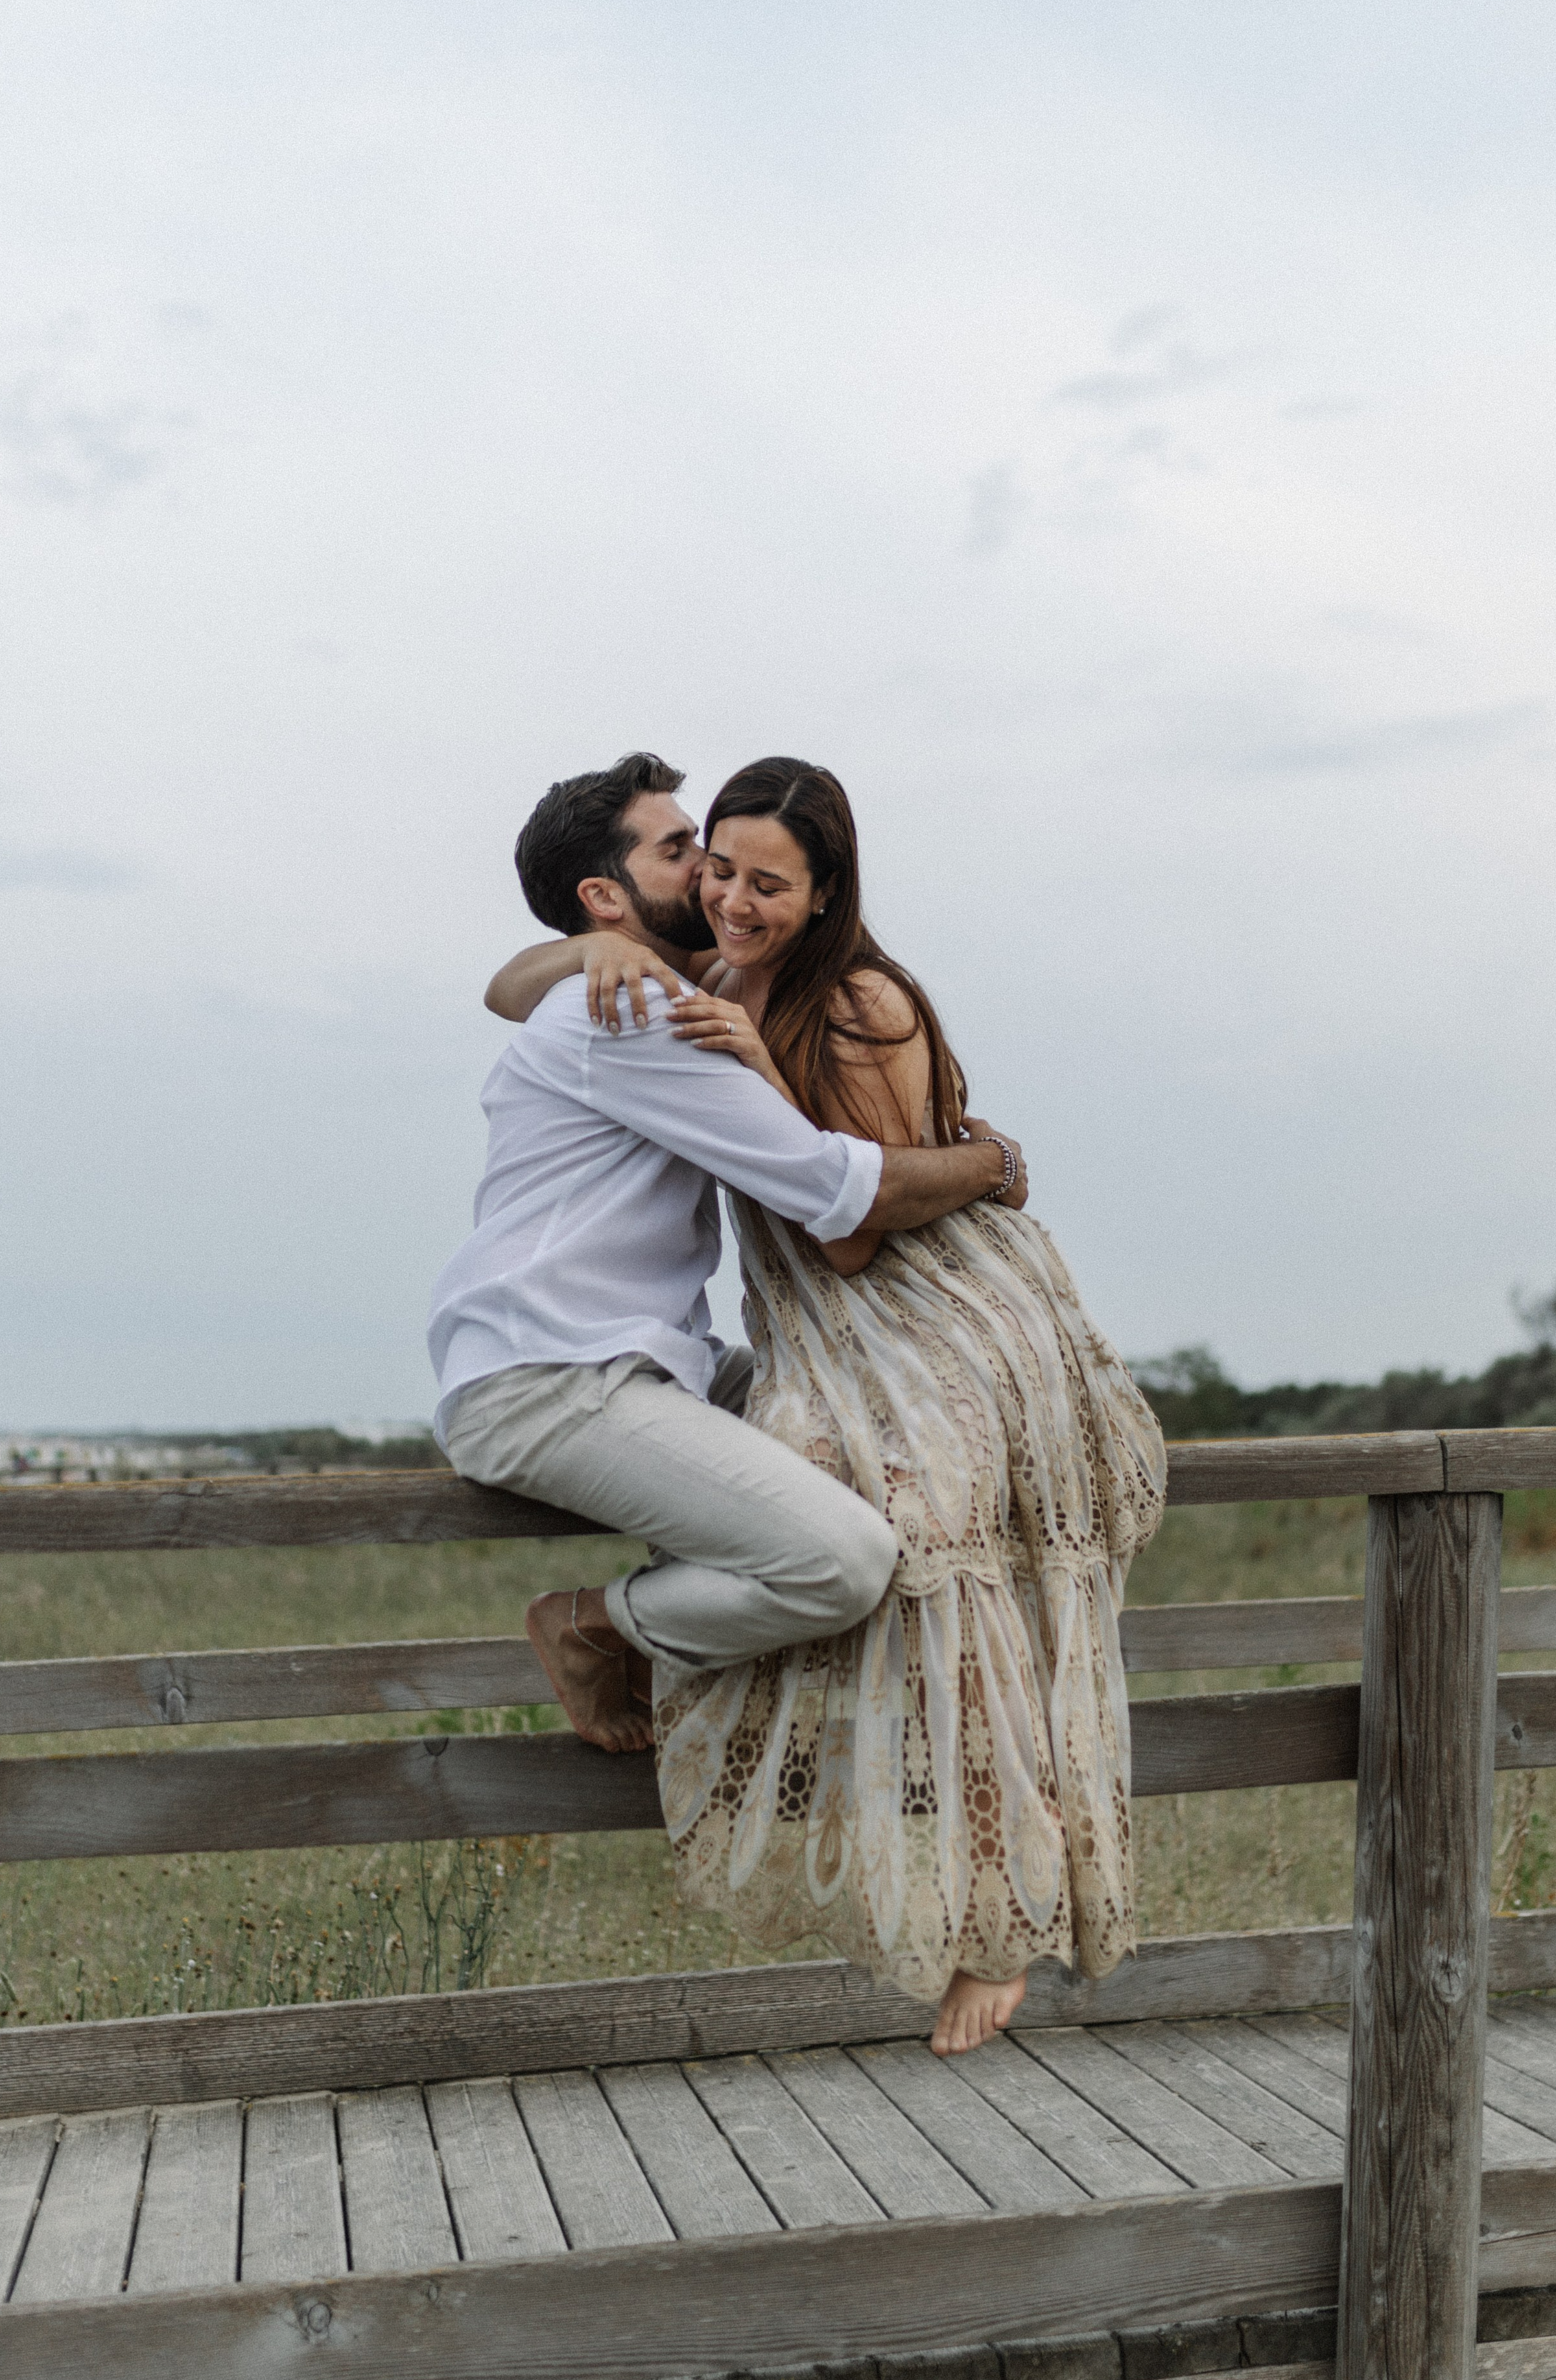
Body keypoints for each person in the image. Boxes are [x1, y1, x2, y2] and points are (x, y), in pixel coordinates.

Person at [491, 757, 1166, 2056]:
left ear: (825, 891)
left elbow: (853, 1237)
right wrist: (574, 958)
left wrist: (978, 1156)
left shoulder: (851, 995)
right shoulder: (683, 983)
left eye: (759, 879)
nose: (726, 893)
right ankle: (631, 1642)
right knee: (862, 1559)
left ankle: (996, 1927)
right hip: (823, 1328)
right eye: (708, 863)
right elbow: (503, 986)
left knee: (945, 1576)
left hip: (936, 1323)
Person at [429, 751, 1031, 1764]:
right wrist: (993, 1160)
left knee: (886, 1430)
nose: (710, 878)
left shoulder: (646, 983)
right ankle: (597, 1625)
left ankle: (902, 1739)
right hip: (554, 1379)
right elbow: (841, 1198)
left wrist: (584, 950)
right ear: (605, 895)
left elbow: (504, 986)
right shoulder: (634, 1014)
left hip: (639, 1362)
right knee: (842, 1562)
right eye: (684, 855)